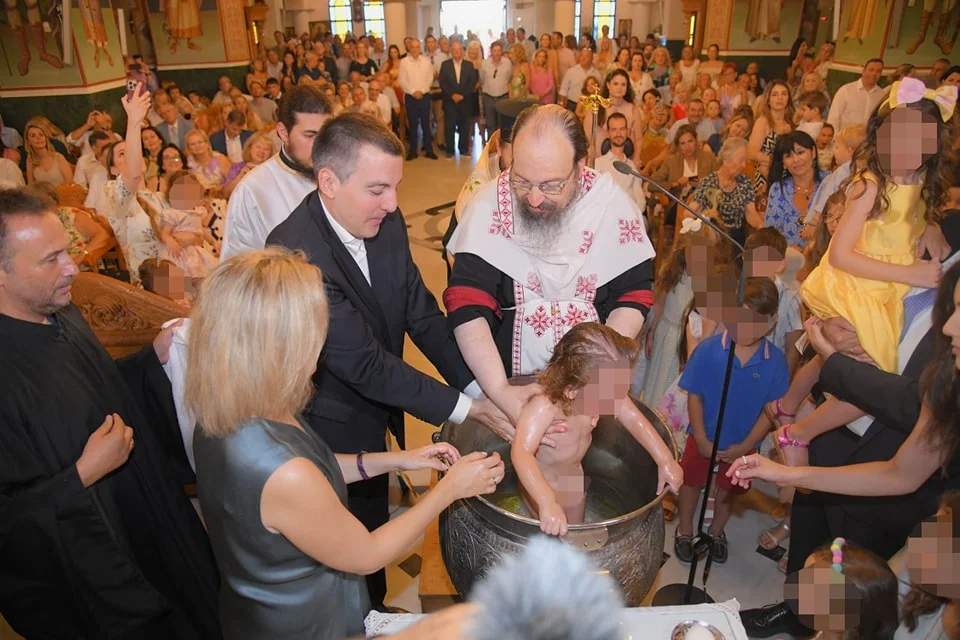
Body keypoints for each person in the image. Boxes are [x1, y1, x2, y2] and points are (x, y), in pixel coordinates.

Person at [190, 248, 505, 639]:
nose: (322, 341)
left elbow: (310, 472)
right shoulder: (284, 473)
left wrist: (396, 460)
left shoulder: (224, 410)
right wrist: (449, 491)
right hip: (306, 626)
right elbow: (366, 555)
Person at [266, 113, 511, 609]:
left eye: (396, 187)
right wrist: (468, 410)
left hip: (376, 413)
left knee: (374, 521)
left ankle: (375, 608)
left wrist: (478, 387)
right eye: (378, 190)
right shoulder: (295, 254)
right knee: (340, 548)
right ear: (328, 181)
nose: (394, 204)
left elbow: (420, 313)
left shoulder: (386, 221)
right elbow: (364, 365)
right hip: (330, 424)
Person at [0, 186, 220, 637]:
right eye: (51, 259)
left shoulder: (61, 312)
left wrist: (149, 360)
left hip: (147, 513)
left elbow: (95, 388)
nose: (72, 268)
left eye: (68, 251)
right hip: (99, 573)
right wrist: (81, 475)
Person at [445, 105, 656, 424]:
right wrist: (500, 391)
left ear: (580, 166)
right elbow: (467, 303)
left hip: (592, 385)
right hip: (507, 384)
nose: (534, 199)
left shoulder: (613, 209)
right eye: (521, 181)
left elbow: (633, 294)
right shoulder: (488, 208)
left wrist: (597, 370)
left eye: (550, 185)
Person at [512, 322, 682, 536]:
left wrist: (665, 460)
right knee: (545, 535)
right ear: (573, 390)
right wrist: (546, 501)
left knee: (577, 531)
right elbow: (521, 452)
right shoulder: (545, 407)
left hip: (573, 478)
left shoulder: (600, 392)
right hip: (540, 485)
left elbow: (633, 417)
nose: (617, 399)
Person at [674, 277, 789, 564]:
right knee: (691, 482)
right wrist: (701, 437)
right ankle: (685, 529)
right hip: (702, 435)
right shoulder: (709, 349)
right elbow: (695, 395)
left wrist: (746, 446)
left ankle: (716, 531)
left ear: (772, 321)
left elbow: (769, 412)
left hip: (743, 444)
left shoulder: (776, 363)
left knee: (729, 490)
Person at [222, 85, 334, 259]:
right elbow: (237, 267)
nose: (320, 145)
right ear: (283, 132)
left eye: (325, 135)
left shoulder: (343, 171)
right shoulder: (252, 190)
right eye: (310, 135)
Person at [688, 137, 763, 247]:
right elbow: (689, 213)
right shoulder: (708, 182)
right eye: (741, 161)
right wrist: (705, 216)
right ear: (726, 160)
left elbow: (751, 215)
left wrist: (764, 229)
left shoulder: (745, 182)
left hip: (735, 239)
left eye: (745, 161)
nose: (744, 165)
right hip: (712, 237)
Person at [765, 131, 827, 249]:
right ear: (783, 163)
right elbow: (770, 234)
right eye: (788, 156)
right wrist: (788, 249)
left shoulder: (829, 182)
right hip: (788, 256)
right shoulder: (778, 189)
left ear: (813, 152)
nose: (796, 160)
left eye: (800, 152)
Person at [750, 80, 795, 204]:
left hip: (789, 175)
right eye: (775, 94)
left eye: (784, 94)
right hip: (766, 176)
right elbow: (752, 152)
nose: (780, 98)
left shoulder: (792, 123)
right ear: (768, 100)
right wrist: (775, 163)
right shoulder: (763, 122)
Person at [594, 112, 645, 209]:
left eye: (622, 129)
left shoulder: (632, 167)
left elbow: (640, 201)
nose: (618, 134)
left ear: (628, 132)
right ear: (608, 133)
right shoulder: (598, 164)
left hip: (630, 215)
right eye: (614, 130)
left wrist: (632, 215)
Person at [399, 37, 438, 160]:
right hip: (410, 97)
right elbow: (402, 80)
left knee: (426, 124)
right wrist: (413, 92)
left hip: (424, 96)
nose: (415, 49)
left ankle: (429, 150)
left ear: (420, 48)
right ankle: (413, 151)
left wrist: (422, 91)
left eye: (417, 47)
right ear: (409, 48)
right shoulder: (404, 62)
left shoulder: (426, 61)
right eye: (413, 47)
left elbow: (429, 78)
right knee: (413, 124)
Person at [439, 41, 478, 157]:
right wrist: (452, 95)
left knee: (464, 126)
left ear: (462, 52)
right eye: (454, 50)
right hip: (450, 101)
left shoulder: (469, 65)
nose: (457, 52)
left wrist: (462, 95)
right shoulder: (445, 65)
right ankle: (450, 150)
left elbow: (472, 82)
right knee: (449, 126)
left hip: (465, 101)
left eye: (459, 49)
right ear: (451, 51)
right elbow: (443, 82)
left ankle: (463, 149)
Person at [827, 58, 885, 132]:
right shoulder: (846, 90)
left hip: (868, 138)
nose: (874, 74)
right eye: (871, 70)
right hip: (844, 137)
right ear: (863, 71)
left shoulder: (881, 95)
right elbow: (833, 117)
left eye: (878, 71)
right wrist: (834, 137)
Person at [479, 41, 513, 139]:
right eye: (495, 50)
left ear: (501, 51)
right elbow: (482, 78)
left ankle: (502, 145)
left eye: (499, 50)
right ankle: (492, 144)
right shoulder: (484, 63)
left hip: (503, 97)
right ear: (491, 51)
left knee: (502, 124)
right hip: (488, 97)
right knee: (490, 124)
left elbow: (509, 77)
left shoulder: (507, 62)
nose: (497, 53)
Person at [24, 123, 73, 187]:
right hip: (43, 193)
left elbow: (69, 182)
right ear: (28, 142)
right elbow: (31, 186)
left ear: (45, 138)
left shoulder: (58, 157)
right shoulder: (30, 161)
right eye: (33, 136)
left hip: (63, 192)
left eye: (41, 135)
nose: (38, 138)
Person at [559, 47, 601, 112]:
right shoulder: (571, 71)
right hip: (572, 105)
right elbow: (563, 90)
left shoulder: (597, 74)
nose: (583, 58)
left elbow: (599, 91)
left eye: (586, 56)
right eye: (582, 55)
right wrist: (562, 105)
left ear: (592, 58)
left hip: (588, 106)